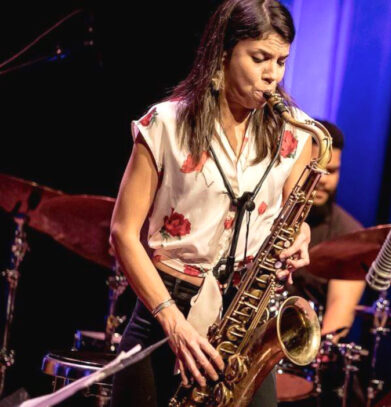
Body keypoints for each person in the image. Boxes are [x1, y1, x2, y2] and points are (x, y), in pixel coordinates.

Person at [109, 1, 313, 406]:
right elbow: (122, 232)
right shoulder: (166, 124)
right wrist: (172, 320)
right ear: (223, 53)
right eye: (260, 58)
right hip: (164, 309)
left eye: (281, 61)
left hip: (246, 320)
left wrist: (302, 236)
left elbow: (296, 219)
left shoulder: (298, 135)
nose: (272, 74)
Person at [287, 120, 364, 340]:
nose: (323, 180)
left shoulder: (350, 235)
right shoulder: (265, 212)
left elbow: (338, 316)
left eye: (332, 171)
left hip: (301, 351)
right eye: (317, 168)